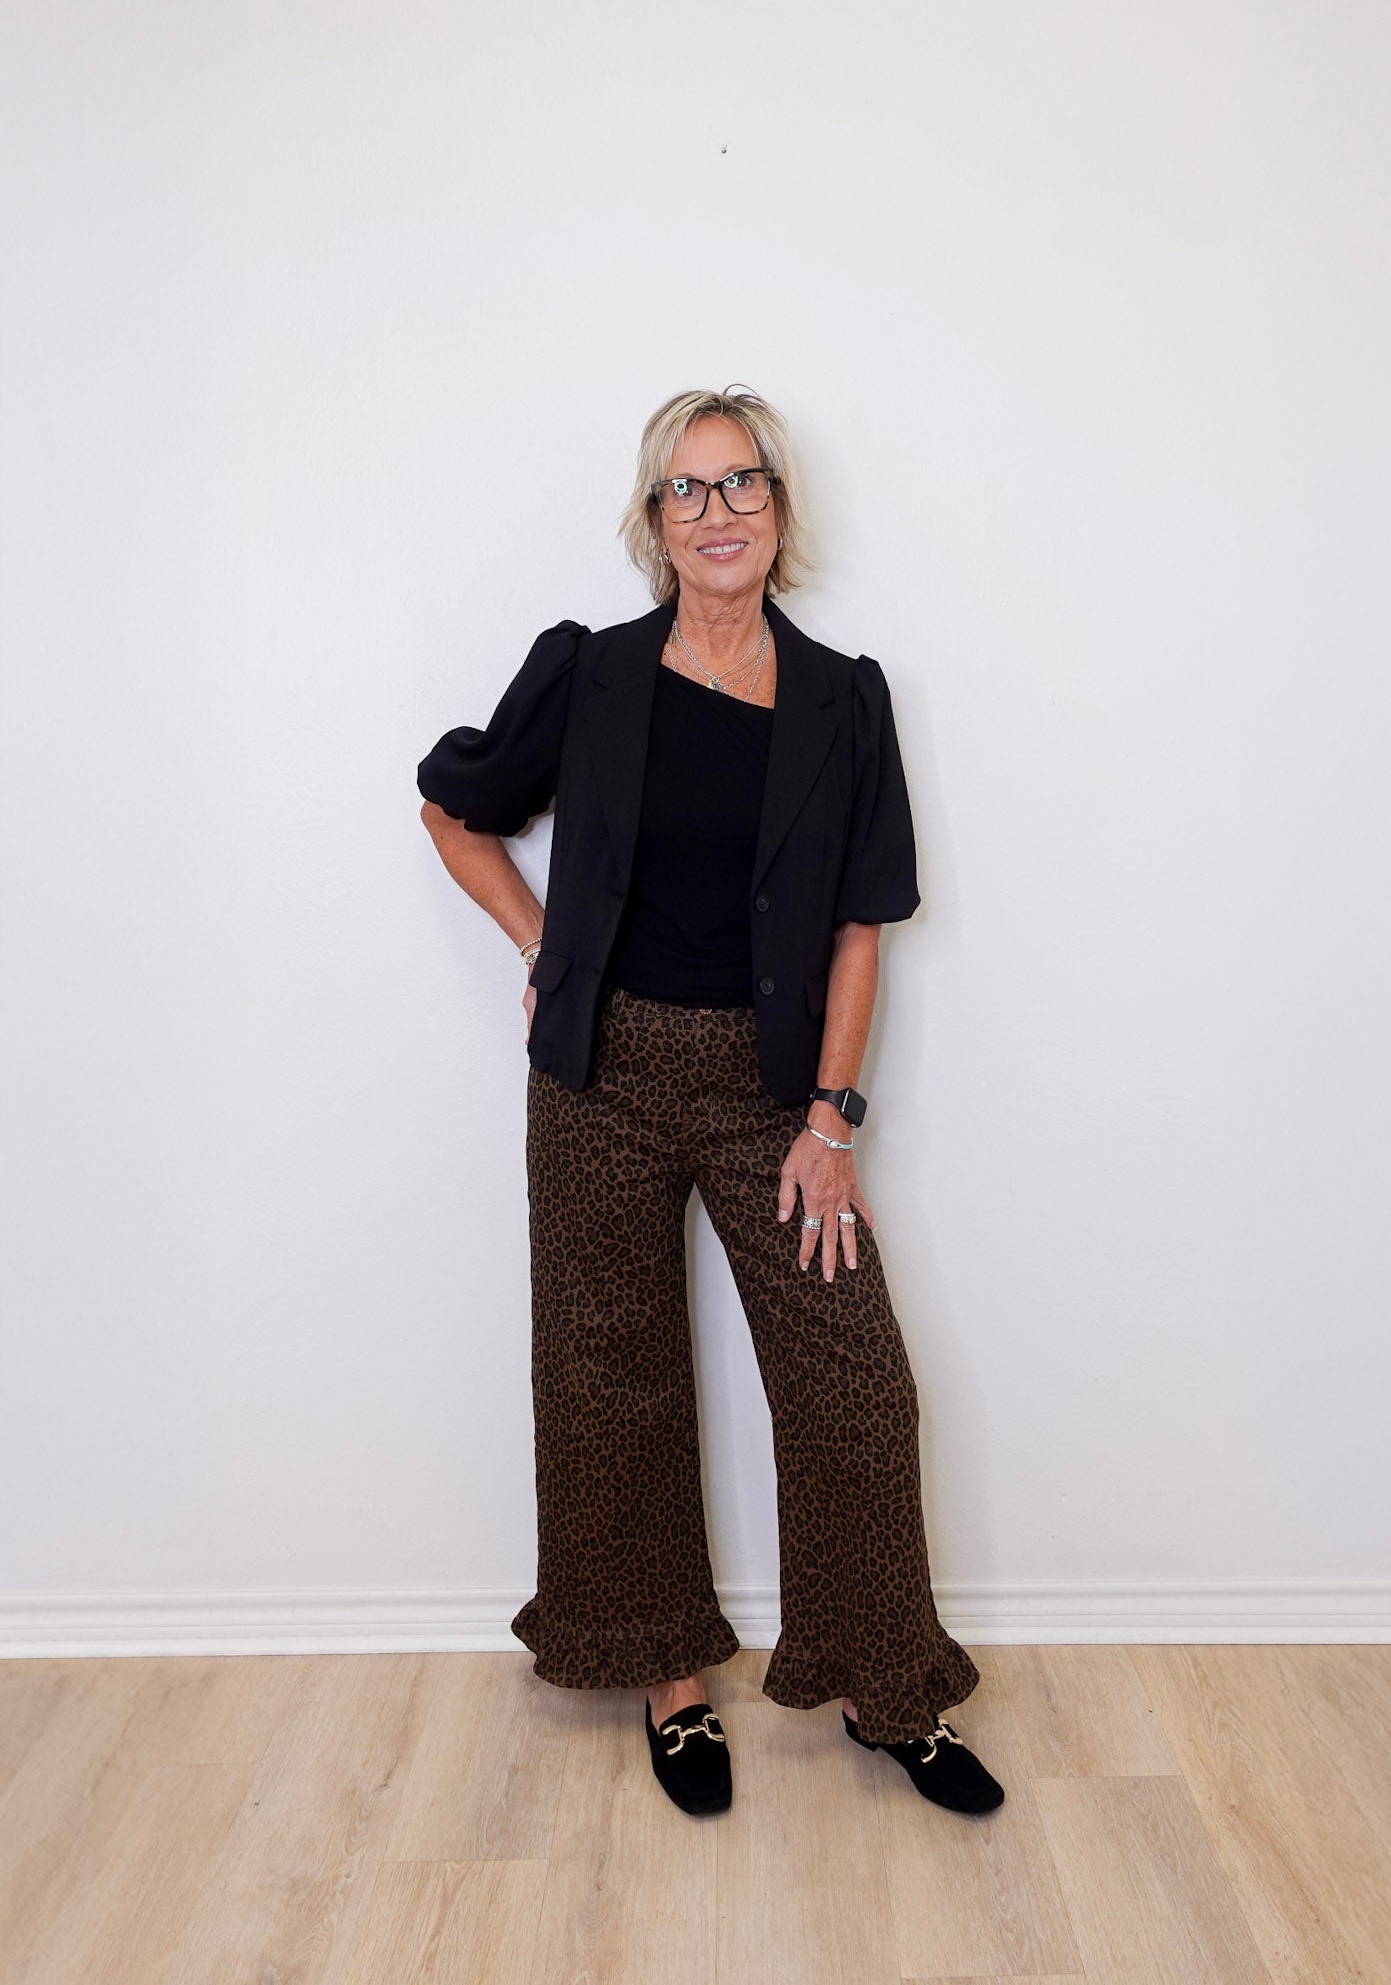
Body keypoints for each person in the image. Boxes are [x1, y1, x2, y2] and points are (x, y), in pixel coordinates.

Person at [417, 384, 1002, 1818]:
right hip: (600, 1081)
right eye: (689, 490)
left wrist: (831, 1121)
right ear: (654, 522)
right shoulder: (592, 674)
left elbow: (864, 923)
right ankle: (669, 1681)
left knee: (854, 1381)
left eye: (743, 485)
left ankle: (886, 1687)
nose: (718, 512)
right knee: (612, 1382)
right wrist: (541, 942)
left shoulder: (845, 698)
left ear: (780, 513)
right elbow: (454, 804)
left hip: (770, 1095)